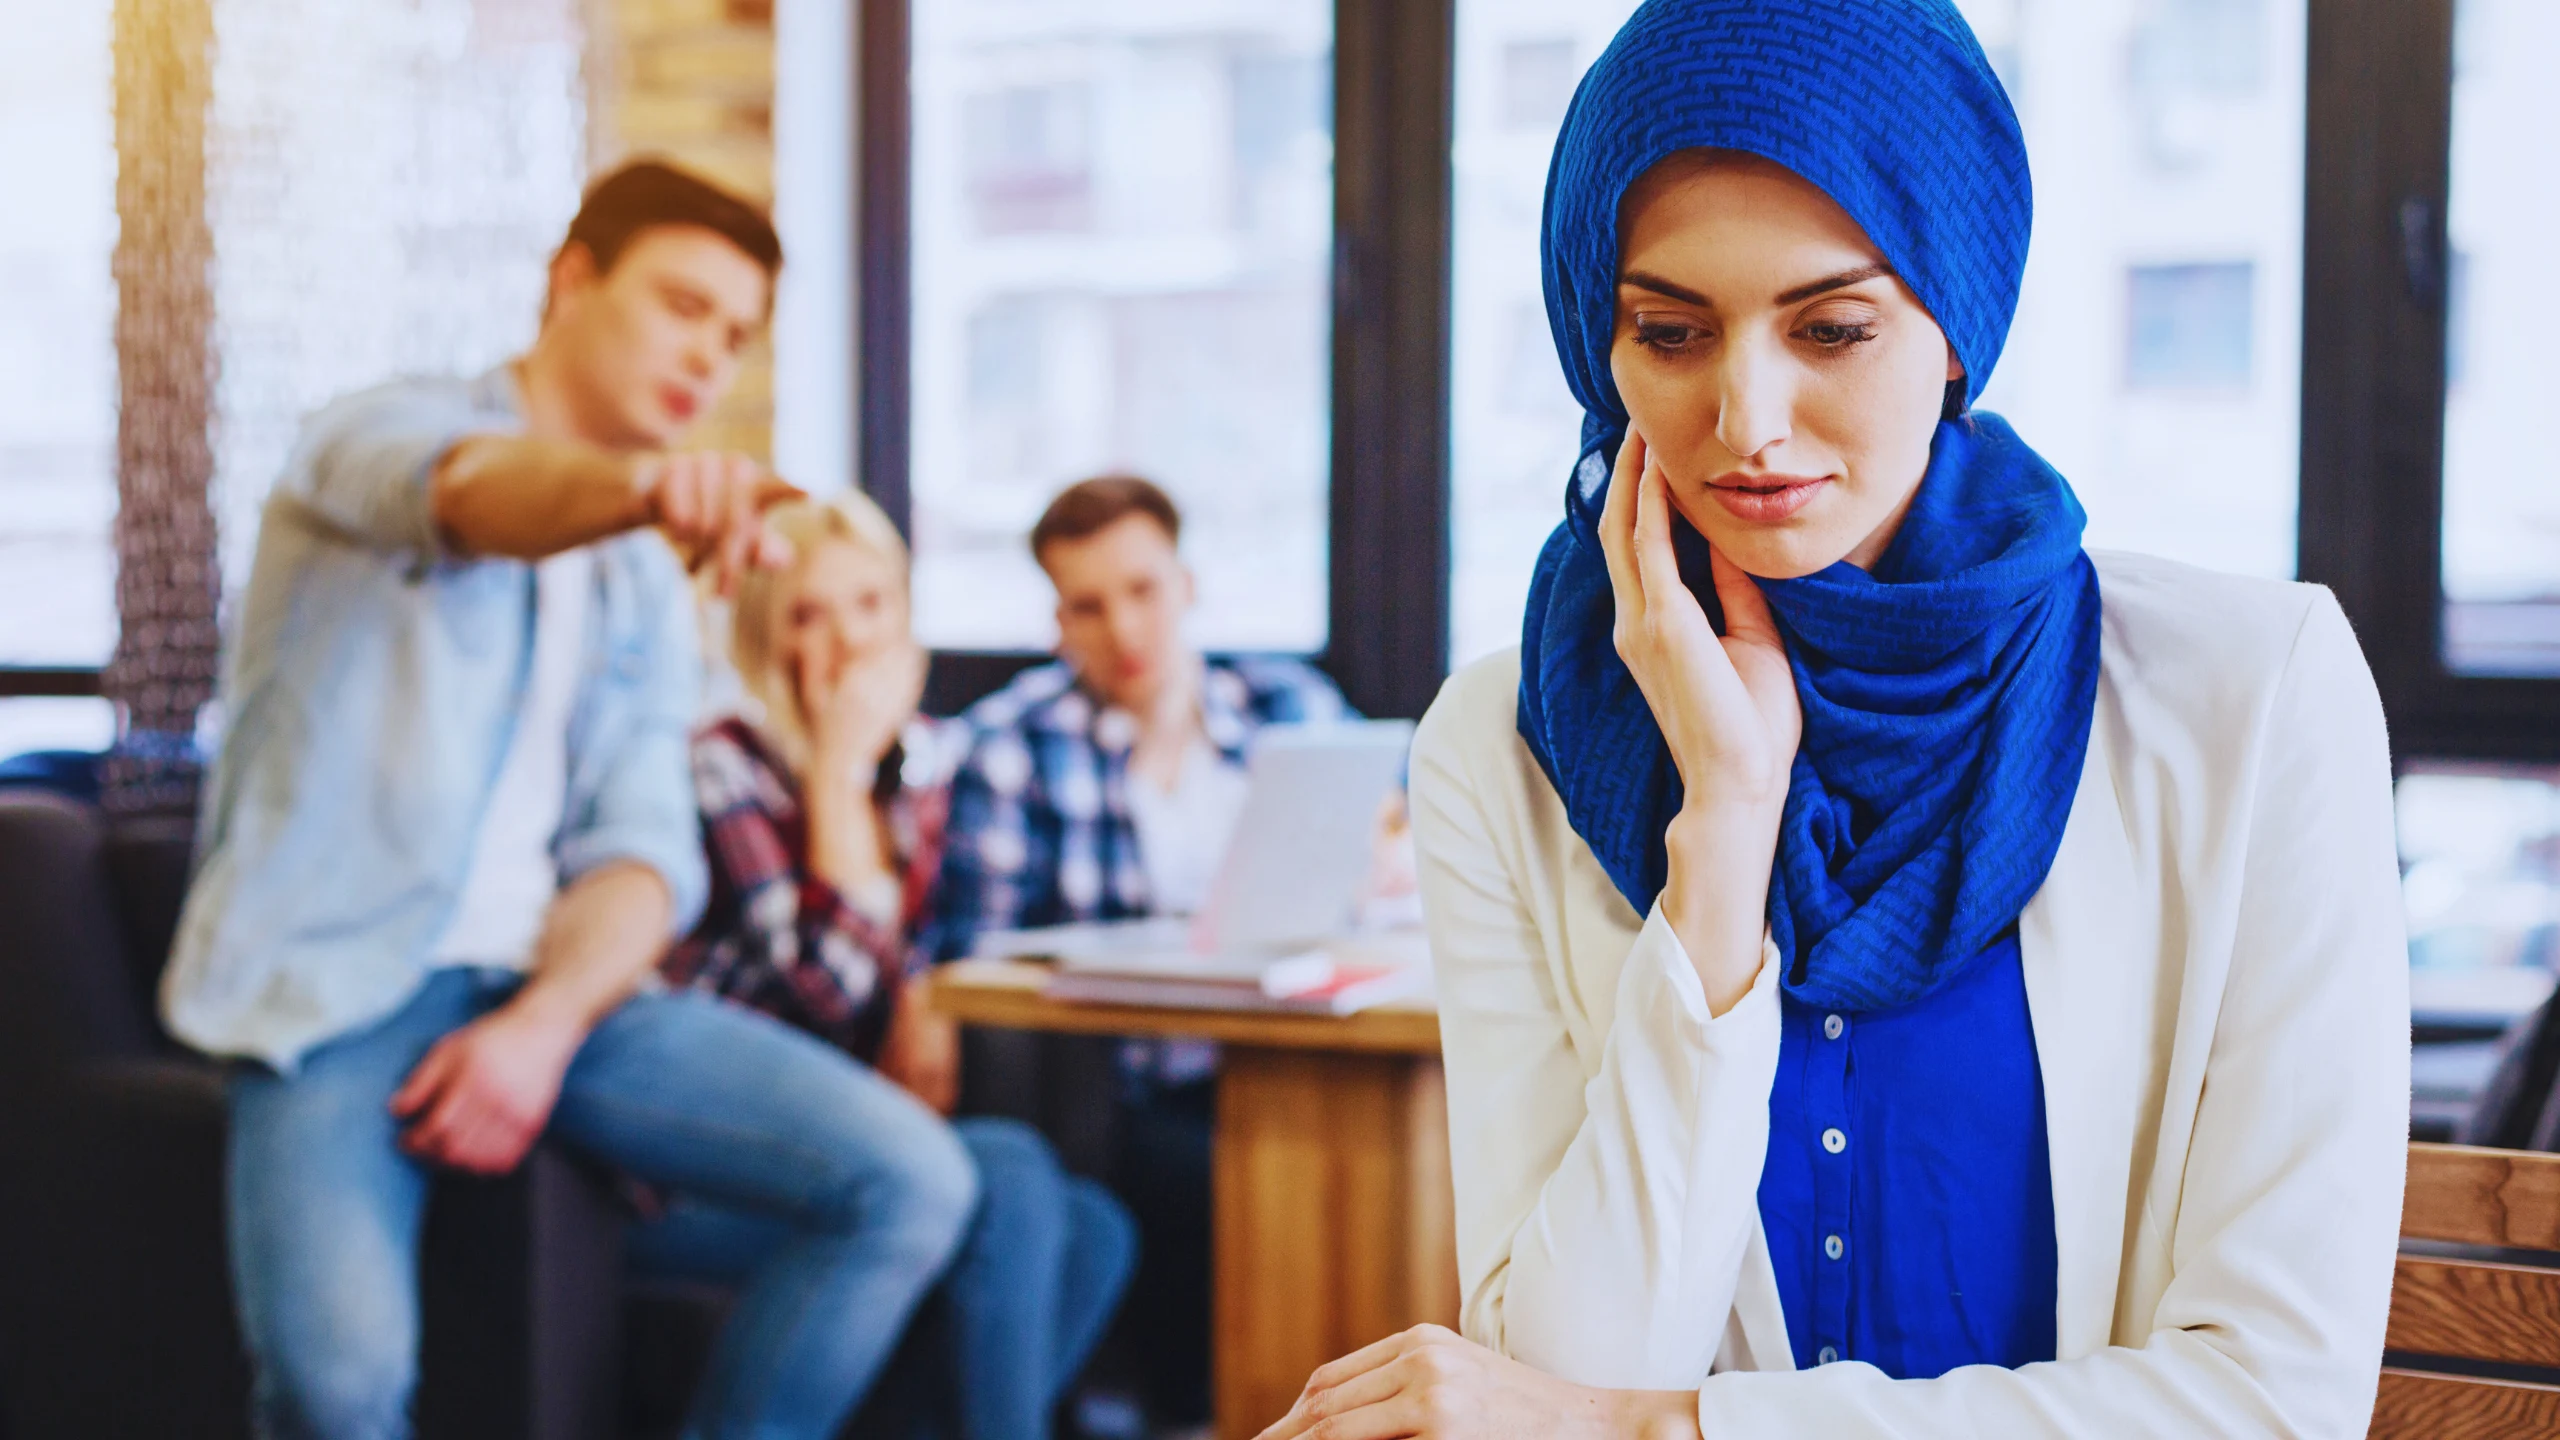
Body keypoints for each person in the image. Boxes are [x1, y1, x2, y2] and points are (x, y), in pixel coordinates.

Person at [1257, 2, 2408, 1437]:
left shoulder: (2255, 692)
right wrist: (1723, 832)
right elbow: (1564, 1363)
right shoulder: (1504, 745)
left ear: (1953, 324)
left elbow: (2270, 1399)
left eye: (1835, 327)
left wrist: (1666, 1430)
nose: (1748, 417)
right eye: (1670, 332)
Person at [162, 160, 980, 1440]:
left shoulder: (646, 590)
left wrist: (544, 1023)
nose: (707, 356)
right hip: (336, 987)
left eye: (734, 335)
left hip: (567, 998)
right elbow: (476, 499)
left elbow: (642, 852)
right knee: (341, 1386)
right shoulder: (371, 435)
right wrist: (641, 492)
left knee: (915, 1181)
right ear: (572, 279)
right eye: (681, 306)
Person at [661, 489, 1137, 1440]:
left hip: (872, 1139)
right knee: (1011, 1171)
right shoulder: (726, 764)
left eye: (871, 605)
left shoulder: (923, 767)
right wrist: (834, 771)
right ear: (764, 636)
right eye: (808, 614)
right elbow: (827, 990)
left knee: (1091, 1227)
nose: (848, 642)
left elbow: (944, 947)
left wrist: (925, 996)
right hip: (723, 1156)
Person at [934, 475, 1353, 1427]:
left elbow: (1392, 874)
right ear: (1058, 620)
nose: (1123, 630)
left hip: (1296, 1060)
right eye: (1088, 606)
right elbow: (971, 964)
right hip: (1120, 1085)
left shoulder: (1293, 713)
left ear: (1187, 585)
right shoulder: (1012, 747)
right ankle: (1207, 1412)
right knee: (1204, 1174)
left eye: (1142, 591)